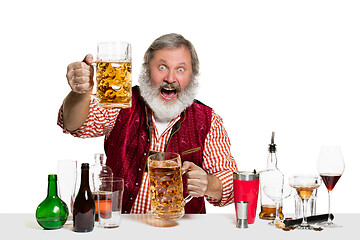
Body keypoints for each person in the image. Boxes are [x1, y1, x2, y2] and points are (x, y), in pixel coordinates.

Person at [58, 33, 238, 214]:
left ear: (193, 75)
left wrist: (208, 183)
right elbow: (74, 124)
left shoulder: (207, 119)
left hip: (180, 230)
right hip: (120, 228)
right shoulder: (121, 103)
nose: (170, 78)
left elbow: (232, 184)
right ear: (146, 70)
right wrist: (80, 92)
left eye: (180, 69)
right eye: (162, 67)